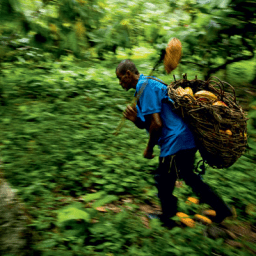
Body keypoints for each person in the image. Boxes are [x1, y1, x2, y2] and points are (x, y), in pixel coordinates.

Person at [116, 59, 233, 228]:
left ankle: (168, 218)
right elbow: (151, 121)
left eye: (120, 78)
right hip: (186, 138)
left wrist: (148, 149)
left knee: (163, 180)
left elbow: (157, 125)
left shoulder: (146, 87)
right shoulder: (148, 84)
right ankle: (222, 209)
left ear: (128, 74)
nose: (120, 83)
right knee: (190, 177)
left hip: (175, 141)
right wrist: (135, 120)